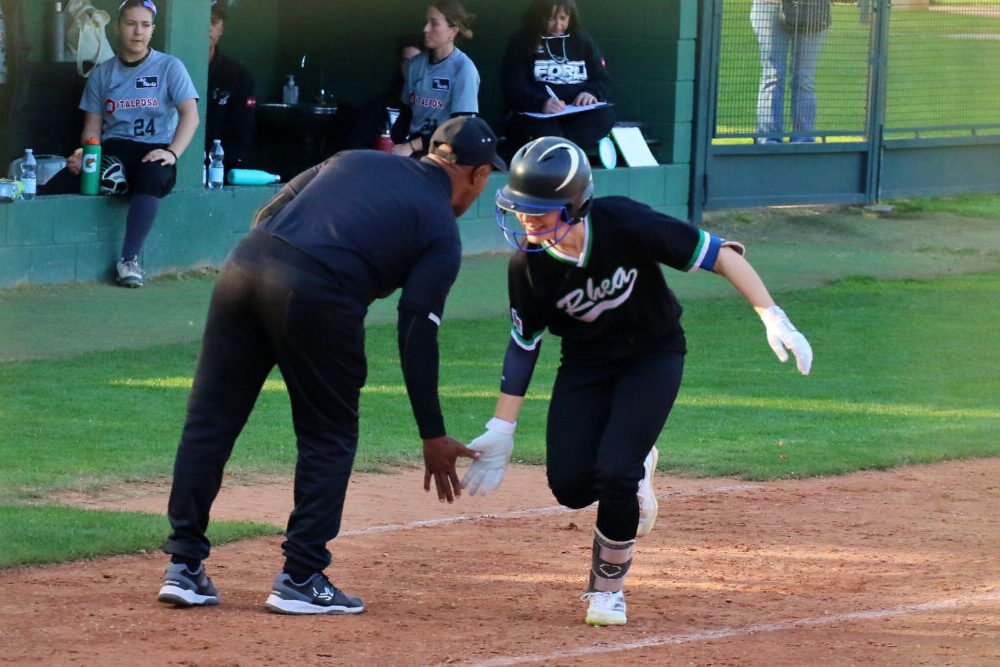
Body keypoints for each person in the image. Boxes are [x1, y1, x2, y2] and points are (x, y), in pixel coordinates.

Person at [156, 116, 506, 615]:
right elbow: (416, 332)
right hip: (319, 294)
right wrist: (433, 432)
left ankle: (184, 566)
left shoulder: (356, 157)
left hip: (245, 266)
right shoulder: (440, 230)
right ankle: (301, 576)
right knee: (329, 435)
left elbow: (272, 210)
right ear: (476, 174)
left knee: (210, 420)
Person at [461, 137, 813, 626]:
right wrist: (502, 429)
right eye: (520, 208)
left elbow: (721, 255)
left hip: (652, 354)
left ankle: (606, 590)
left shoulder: (624, 221)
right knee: (570, 487)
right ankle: (641, 462)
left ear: (575, 202)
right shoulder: (529, 265)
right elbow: (524, 345)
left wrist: (773, 316)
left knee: (616, 473)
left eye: (540, 210)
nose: (527, 219)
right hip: (585, 365)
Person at [65, 0, 199, 288]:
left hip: (155, 148)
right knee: (71, 174)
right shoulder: (102, 73)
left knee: (152, 175)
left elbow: (191, 115)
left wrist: (172, 153)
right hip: (114, 149)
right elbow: (92, 127)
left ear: (153, 29)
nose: (138, 32)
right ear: (118, 26)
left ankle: (128, 260)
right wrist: (84, 153)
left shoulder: (169, 66)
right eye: (130, 23)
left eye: (145, 25)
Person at [500, 0, 615, 152]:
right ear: (539, 17)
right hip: (538, 114)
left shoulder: (582, 39)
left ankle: (562, 148)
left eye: (563, 18)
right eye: (551, 19)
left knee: (606, 116)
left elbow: (603, 78)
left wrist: (591, 92)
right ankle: (565, 151)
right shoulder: (521, 40)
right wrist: (541, 103)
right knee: (540, 129)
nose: (558, 25)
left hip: (576, 112)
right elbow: (512, 86)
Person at [392, 1, 480, 158]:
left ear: (452, 32)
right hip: (415, 147)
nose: (425, 29)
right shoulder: (416, 64)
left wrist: (412, 146)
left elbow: (460, 130)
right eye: (426, 22)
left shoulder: (463, 68)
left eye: (434, 23)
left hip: (446, 150)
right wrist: (395, 142)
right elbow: (406, 113)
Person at [751, 0, 830, 143]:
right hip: (770, 5)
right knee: (773, 75)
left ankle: (803, 141)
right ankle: (769, 141)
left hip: (813, 8)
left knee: (804, 78)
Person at [344, 33, 425, 150]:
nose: (410, 68)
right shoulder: (381, 106)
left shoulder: (440, 106)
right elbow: (357, 145)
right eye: (405, 61)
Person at [206, 0, 255, 172]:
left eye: (213, 21)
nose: (207, 27)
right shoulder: (168, 68)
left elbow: (242, 134)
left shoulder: (238, 76)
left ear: (221, 29)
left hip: (219, 168)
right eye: (202, 19)